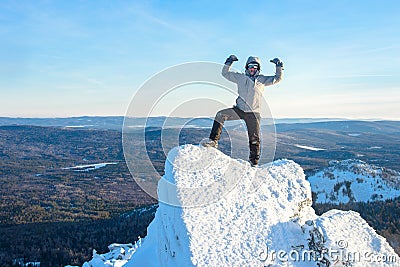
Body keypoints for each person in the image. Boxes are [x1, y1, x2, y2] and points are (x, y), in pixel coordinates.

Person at [202, 54, 283, 166]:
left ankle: (254, 162)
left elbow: (277, 78)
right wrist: (229, 62)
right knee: (220, 115)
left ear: (258, 69)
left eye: (255, 67)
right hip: (239, 110)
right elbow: (225, 74)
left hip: (253, 113)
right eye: (250, 66)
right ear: (247, 67)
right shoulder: (240, 78)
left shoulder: (262, 80)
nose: (252, 69)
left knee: (254, 138)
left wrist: (278, 67)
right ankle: (213, 141)